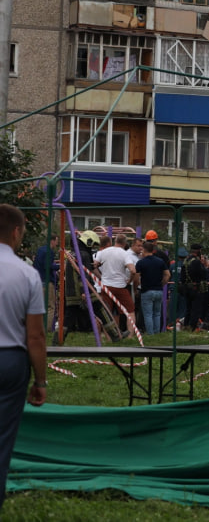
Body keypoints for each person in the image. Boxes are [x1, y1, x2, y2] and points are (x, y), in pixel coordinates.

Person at [0, 204, 47, 515]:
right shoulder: (27, 274)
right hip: (9, 362)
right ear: (16, 232)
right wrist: (41, 381)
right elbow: (35, 337)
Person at [94, 233, 137, 333]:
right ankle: (130, 335)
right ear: (125, 243)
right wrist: (129, 281)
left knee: (106, 313)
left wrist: (100, 277)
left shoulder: (103, 252)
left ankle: (108, 337)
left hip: (106, 287)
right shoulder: (124, 253)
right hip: (120, 287)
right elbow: (133, 270)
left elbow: (94, 266)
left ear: (115, 241)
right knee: (130, 311)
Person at [135, 241, 169, 336]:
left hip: (147, 291)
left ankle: (150, 334)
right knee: (157, 313)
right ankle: (157, 333)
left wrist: (135, 288)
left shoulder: (141, 263)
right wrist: (162, 283)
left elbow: (136, 278)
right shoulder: (160, 261)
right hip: (158, 290)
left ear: (144, 250)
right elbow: (167, 274)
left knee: (148, 314)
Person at [183, 244, 209, 330]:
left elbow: (183, 276)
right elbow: (202, 274)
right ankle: (192, 326)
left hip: (187, 287)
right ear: (198, 251)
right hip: (196, 288)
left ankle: (186, 325)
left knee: (188, 308)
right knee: (196, 309)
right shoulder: (196, 262)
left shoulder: (186, 260)